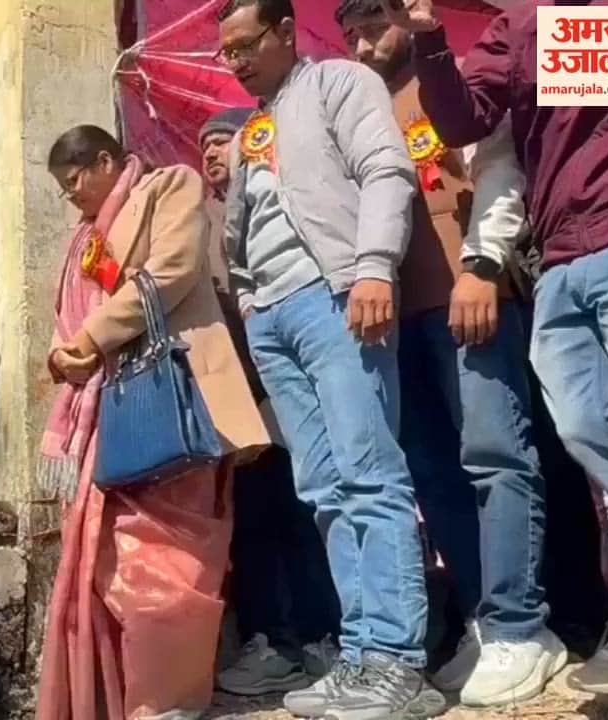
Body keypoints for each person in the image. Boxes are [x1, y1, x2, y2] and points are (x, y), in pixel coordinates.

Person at [381, 0, 608, 696]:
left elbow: (597, 111)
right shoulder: (527, 23)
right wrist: (429, 37)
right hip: (562, 257)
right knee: (591, 433)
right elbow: (469, 121)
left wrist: (482, 258)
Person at [215, 1, 445, 717]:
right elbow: (247, 224)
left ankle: (401, 665)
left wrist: (373, 266)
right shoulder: (257, 124)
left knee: (370, 474)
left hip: (334, 294)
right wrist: (250, 301)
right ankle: (361, 653)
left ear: (286, 31)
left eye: (247, 45)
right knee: (323, 492)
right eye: (227, 53)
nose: (237, 62)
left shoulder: (340, 82)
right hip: (274, 317)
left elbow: (386, 168)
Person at [336, 0, 565, 706]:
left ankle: (522, 626)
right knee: (434, 477)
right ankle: (480, 620)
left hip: (471, 298)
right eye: (350, 30)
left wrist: (482, 265)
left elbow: (499, 170)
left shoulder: (458, 79)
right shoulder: (359, 109)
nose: (363, 38)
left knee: (497, 456)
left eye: (374, 19)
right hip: (395, 321)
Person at [35, 124, 270, 720]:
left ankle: (168, 701)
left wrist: (89, 338)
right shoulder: (82, 240)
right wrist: (69, 352)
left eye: (74, 183)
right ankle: (118, 698)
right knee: (106, 555)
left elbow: (173, 270)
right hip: (110, 411)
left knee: (175, 555)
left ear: (107, 161)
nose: (73, 199)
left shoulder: (171, 186)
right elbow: (70, 317)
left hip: (177, 393)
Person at [199, 110, 342, 697]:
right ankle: (272, 642)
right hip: (241, 398)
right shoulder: (201, 218)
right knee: (256, 522)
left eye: (219, 142)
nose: (209, 154)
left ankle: (325, 636)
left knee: (312, 512)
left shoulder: (284, 194)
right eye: (202, 146)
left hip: (302, 381)